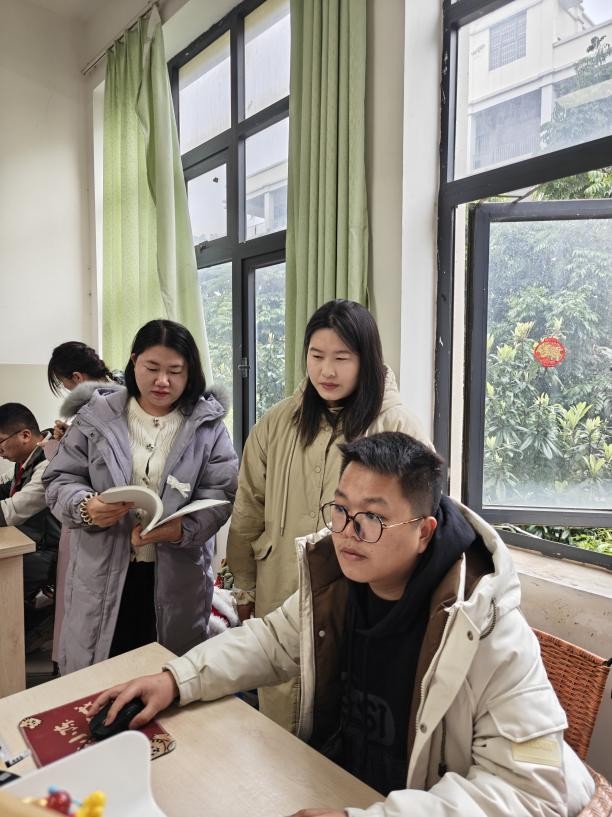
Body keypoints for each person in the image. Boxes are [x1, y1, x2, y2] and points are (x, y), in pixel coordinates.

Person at [91, 432, 595, 817]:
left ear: (424, 532)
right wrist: (177, 679)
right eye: (341, 509)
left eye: (372, 518)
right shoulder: (342, 580)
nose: (347, 533)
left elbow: (530, 791)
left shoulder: (489, 631)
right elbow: (271, 640)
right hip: (331, 783)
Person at [226, 299, 431, 729]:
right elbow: (249, 508)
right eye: (316, 356)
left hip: (361, 601)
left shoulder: (397, 426)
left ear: (366, 359)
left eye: (342, 358)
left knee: (348, 718)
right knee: (279, 720)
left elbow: (418, 523)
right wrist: (244, 587)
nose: (327, 371)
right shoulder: (278, 422)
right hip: (280, 586)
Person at [43, 319, 239, 675]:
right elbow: (60, 479)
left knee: (167, 676)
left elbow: (221, 493)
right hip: (102, 574)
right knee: (102, 675)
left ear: (190, 371)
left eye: (175, 371)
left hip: (177, 578)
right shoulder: (97, 416)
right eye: (152, 367)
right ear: (134, 362)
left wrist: (182, 529)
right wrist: (86, 506)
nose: (162, 381)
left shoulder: (207, 425)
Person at [46, 341, 125, 665]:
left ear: (77, 377)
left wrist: (60, 444)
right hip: (104, 520)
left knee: (91, 618)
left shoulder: (94, 407)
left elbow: (63, 477)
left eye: (65, 384)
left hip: (99, 523)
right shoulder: (124, 391)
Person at [0, 403, 60, 604]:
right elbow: (5, 486)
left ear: (25, 435)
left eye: (0, 442)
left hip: (47, 551)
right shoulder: (26, 459)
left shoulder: (49, 464)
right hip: (31, 540)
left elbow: (12, 510)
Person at [47, 341, 123, 440]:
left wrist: (71, 438)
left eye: (62, 382)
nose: (64, 386)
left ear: (77, 377)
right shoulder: (119, 390)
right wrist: (73, 433)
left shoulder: (103, 408)